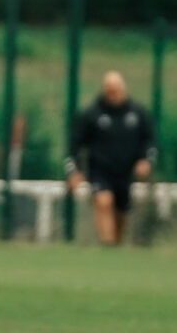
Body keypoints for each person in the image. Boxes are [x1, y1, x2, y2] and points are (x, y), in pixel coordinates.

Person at [64, 70, 156, 245]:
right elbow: (74, 145)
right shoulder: (91, 114)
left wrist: (146, 161)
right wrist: (74, 171)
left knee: (121, 212)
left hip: (125, 171)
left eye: (117, 90)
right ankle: (107, 244)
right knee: (103, 201)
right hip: (100, 170)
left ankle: (115, 245)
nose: (113, 95)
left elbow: (149, 141)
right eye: (110, 91)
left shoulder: (138, 113)